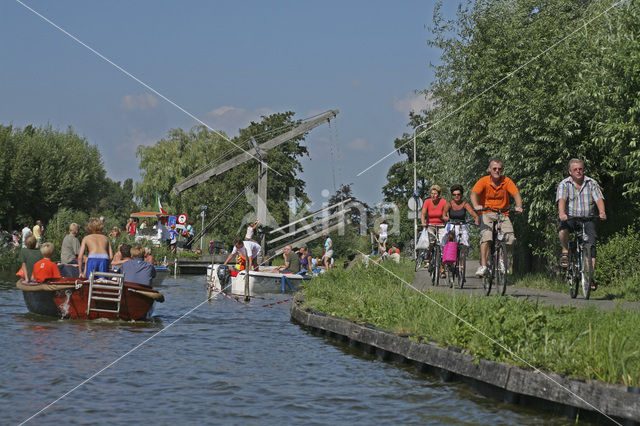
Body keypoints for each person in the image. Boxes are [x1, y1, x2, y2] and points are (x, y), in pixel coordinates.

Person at [471, 157, 523, 277]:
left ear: (502, 170)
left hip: (503, 213)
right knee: (486, 237)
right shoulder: (484, 181)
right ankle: (483, 266)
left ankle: (501, 259)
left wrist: (519, 206)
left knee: (510, 238)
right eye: (494, 168)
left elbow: (516, 194)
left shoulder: (506, 181)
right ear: (489, 169)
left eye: (499, 169)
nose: (497, 171)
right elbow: (474, 193)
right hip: (487, 212)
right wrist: (476, 205)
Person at [556, 158, 606, 282]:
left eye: (580, 169)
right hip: (571, 217)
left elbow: (599, 198)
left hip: (588, 218)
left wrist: (602, 212)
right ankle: (565, 250)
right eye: (575, 169)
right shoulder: (564, 184)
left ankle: (590, 277)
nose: (578, 171)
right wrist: (562, 213)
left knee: (591, 245)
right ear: (570, 172)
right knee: (563, 231)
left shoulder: (591, 183)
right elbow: (562, 199)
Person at [421, 185, 450, 278]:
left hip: (441, 225)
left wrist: (447, 219)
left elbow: (447, 214)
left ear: (439, 194)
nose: (433, 195)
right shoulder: (427, 202)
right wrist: (423, 222)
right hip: (430, 225)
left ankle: (442, 268)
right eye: (432, 193)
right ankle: (428, 255)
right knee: (431, 240)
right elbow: (423, 214)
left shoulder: (443, 202)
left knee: (443, 245)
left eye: (435, 194)